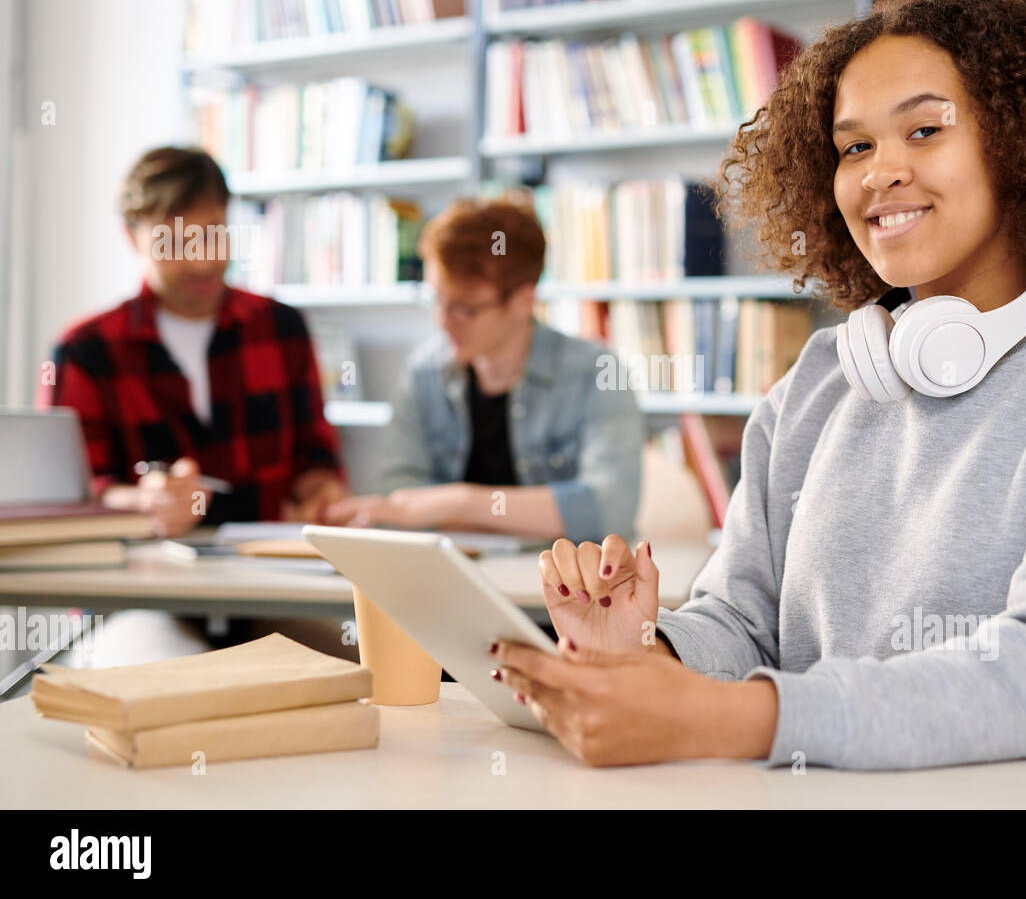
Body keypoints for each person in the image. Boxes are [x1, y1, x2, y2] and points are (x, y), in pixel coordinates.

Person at [489, 0, 1026, 770]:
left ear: (1024, 147)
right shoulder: (820, 381)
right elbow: (742, 622)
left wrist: (743, 720)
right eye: (854, 147)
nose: (878, 174)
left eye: (925, 131)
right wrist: (645, 649)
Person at [39, 145, 352, 664]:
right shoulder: (85, 350)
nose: (203, 259)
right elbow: (69, 500)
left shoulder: (282, 329)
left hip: (271, 590)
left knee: (363, 673)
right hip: (137, 600)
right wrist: (144, 503)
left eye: (215, 234)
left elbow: (314, 457)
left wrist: (323, 491)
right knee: (158, 681)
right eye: (179, 241)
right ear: (132, 235)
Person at [326, 193, 643, 544]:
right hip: (447, 581)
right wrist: (539, 516)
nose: (443, 321)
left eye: (466, 308)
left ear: (524, 301)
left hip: (563, 591)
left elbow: (606, 510)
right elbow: (394, 501)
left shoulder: (597, 373)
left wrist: (459, 504)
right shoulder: (424, 372)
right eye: (437, 299)